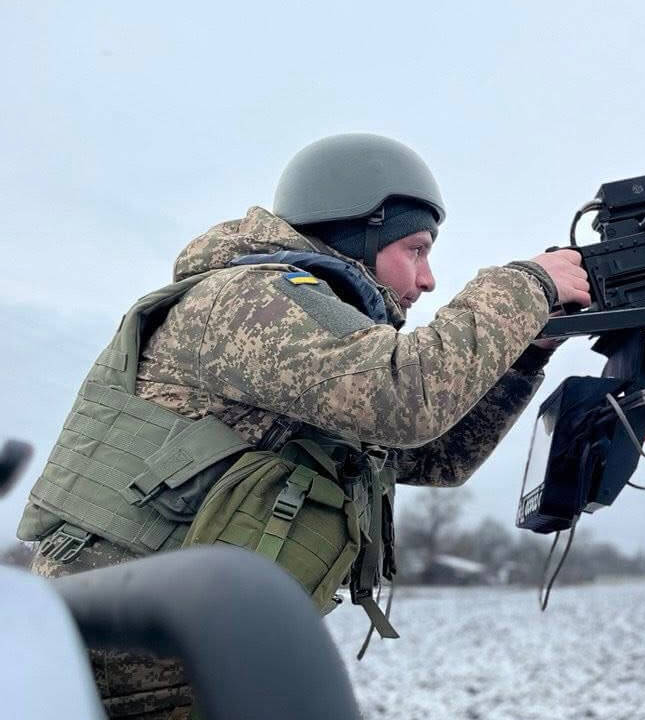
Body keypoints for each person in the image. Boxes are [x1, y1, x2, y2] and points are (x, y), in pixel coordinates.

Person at [16, 133, 590, 719]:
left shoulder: (317, 338)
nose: (427, 279)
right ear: (357, 234)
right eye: (415, 250)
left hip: (185, 639)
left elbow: (435, 454)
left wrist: (526, 352)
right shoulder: (251, 298)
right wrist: (527, 285)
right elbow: (406, 397)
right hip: (138, 647)